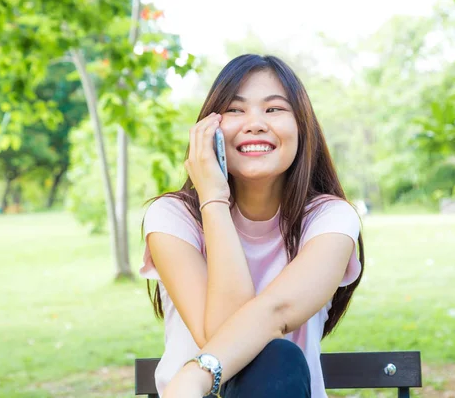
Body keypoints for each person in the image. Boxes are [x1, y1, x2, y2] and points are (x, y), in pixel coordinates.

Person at [140, 54, 365, 398]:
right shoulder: (172, 218)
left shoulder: (330, 221)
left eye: (274, 109)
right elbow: (219, 332)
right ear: (208, 130)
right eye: (234, 109)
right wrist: (213, 198)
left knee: (277, 358)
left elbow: (270, 315)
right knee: (274, 354)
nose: (255, 123)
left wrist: (198, 375)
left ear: (302, 127)